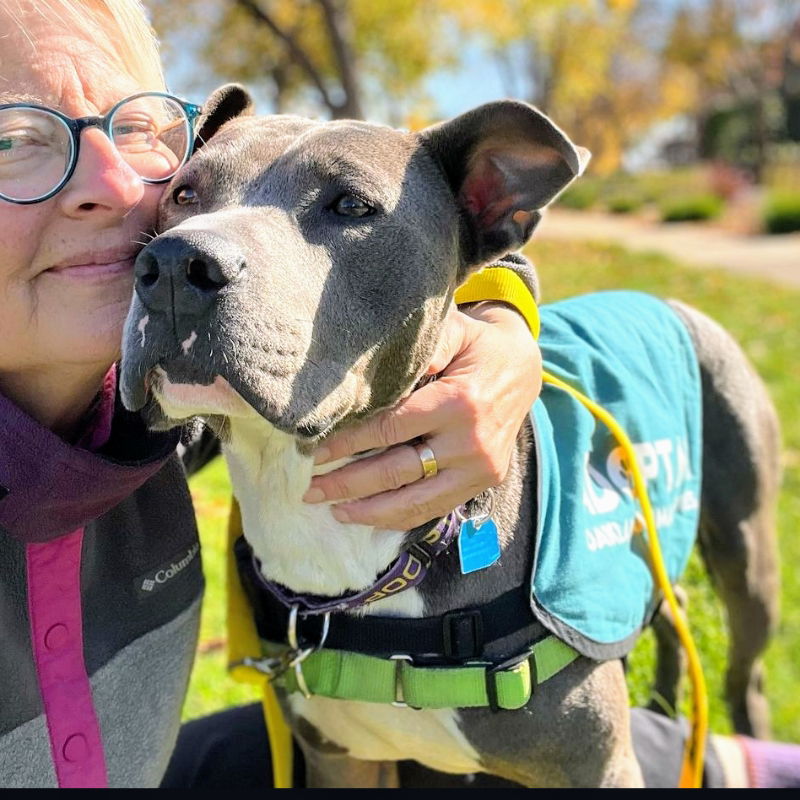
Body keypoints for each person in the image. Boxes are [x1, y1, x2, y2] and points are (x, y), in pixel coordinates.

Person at [0, 0, 796, 789]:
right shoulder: (165, 417)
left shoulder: (139, 425)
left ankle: (741, 724)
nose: (188, 250)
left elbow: (445, 239)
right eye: (14, 138)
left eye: (133, 133)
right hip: (327, 681)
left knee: (742, 611)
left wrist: (505, 318)